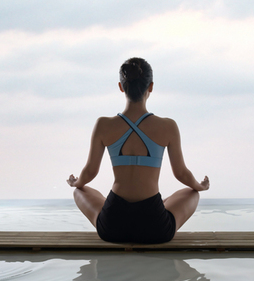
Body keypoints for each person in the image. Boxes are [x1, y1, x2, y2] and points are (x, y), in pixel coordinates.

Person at [67, 57, 209, 244]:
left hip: (113, 226)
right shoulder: (167, 126)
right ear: (150, 87)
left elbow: (90, 172)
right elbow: (181, 173)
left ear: (121, 86)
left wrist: (75, 182)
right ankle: (161, 204)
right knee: (192, 193)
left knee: (79, 191)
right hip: (154, 226)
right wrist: (200, 186)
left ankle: (114, 205)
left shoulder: (104, 125)